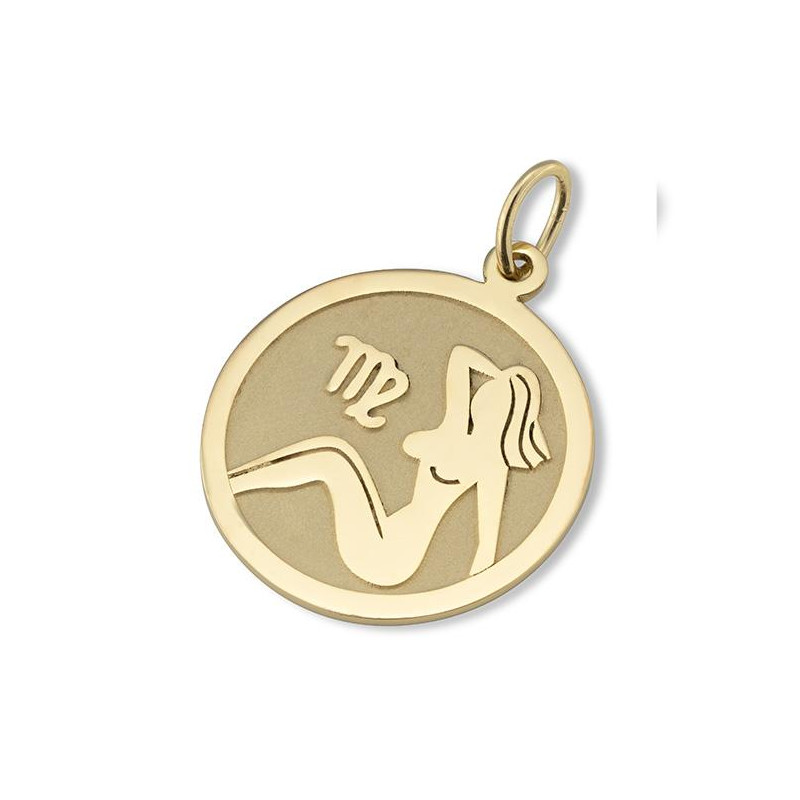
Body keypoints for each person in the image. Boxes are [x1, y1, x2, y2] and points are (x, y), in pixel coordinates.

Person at [228, 345, 550, 586]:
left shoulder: (492, 466)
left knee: (333, 458)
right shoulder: (455, 427)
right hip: (385, 531)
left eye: (491, 398)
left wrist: (469, 593)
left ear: (504, 413)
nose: (480, 399)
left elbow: (487, 547)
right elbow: (461, 356)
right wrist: (502, 375)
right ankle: (231, 482)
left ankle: (230, 484)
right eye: (485, 393)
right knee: (334, 455)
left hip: (393, 559)